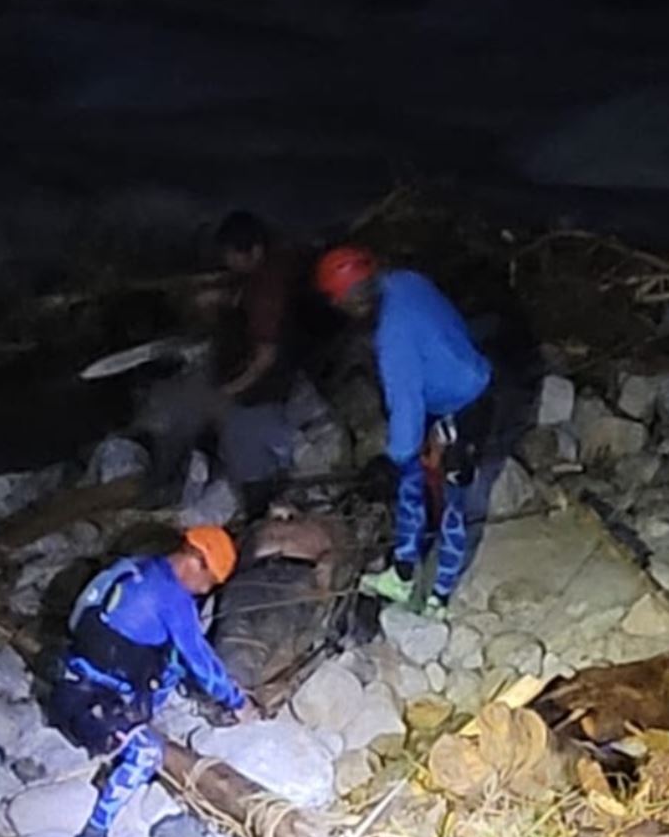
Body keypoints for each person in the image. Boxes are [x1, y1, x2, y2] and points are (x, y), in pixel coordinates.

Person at [51, 526, 250, 837]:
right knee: (148, 753)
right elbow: (200, 661)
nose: (205, 590)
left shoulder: (139, 566)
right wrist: (238, 702)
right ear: (195, 560)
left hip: (72, 672)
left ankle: (137, 721)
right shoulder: (172, 598)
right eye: (209, 581)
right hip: (86, 702)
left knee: (170, 663)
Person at [315, 246, 492, 619]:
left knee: (453, 499)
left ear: (351, 301)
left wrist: (391, 463)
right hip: (447, 387)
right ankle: (404, 572)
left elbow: (406, 404)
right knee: (413, 481)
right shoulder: (405, 281)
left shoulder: (393, 336)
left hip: (464, 402)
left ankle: (439, 598)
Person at [211, 211, 309, 512]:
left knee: (248, 447)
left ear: (254, 250)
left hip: (271, 390)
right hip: (288, 376)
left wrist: (229, 392)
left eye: (232, 255)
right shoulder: (275, 270)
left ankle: (259, 503)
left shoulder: (267, 292)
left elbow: (267, 357)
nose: (228, 262)